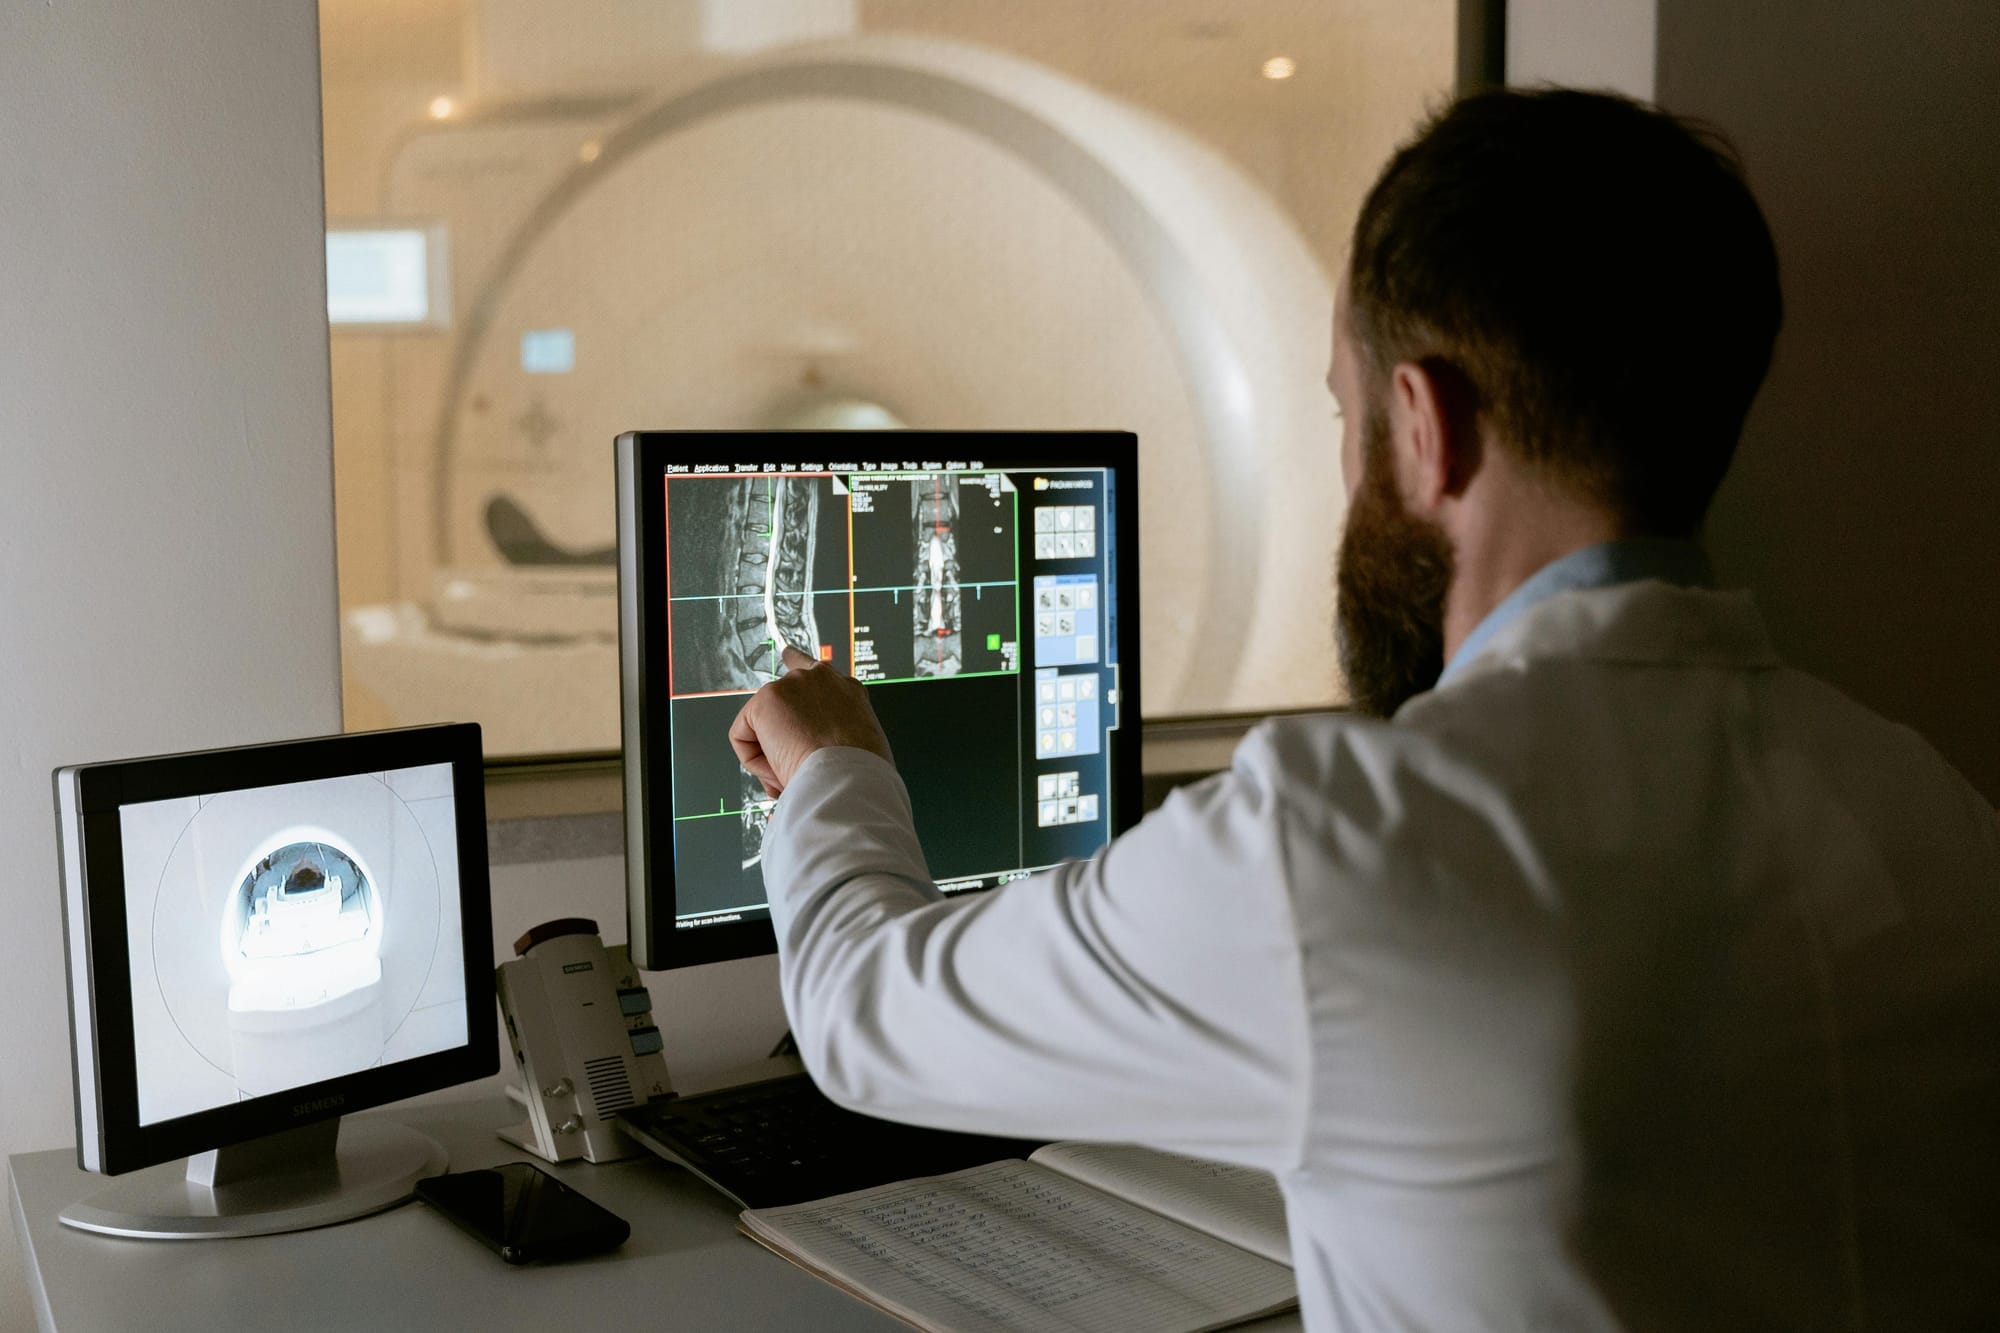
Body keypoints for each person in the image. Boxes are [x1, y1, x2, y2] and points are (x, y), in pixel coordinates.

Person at [728, 88, 2000, 1330]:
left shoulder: (1349, 841)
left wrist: (836, 762)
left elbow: (862, 1017)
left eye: (1345, 413)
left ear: (1422, 422)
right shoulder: (1927, 812)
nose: (1349, 469)